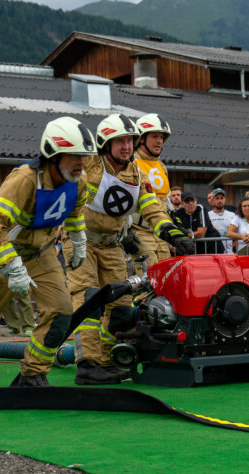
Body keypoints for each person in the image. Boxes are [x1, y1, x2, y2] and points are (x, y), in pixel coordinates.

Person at [0, 117, 94, 399]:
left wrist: (78, 241)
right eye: (75, 155)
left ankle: (33, 373)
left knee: (62, 312)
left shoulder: (79, 179)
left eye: (84, 156)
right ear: (53, 153)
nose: (81, 162)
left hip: (42, 252)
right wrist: (12, 266)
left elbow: (75, 213)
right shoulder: (24, 179)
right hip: (3, 252)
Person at [65, 113, 195, 386]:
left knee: (122, 309)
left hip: (112, 245)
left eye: (129, 140)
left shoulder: (137, 173)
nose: (126, 146)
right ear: (104, 143)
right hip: (82, 242)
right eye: (119, 141)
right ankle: (86, 364)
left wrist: (173, 234)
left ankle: (104, 361)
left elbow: (153, 210)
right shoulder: (89, 164)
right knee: (88, 299)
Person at [131, 113, 174, 273]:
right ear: (141, 139)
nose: (159, 141)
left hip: (160, 233)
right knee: (149, 279)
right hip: (139, 231)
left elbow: (165, 200)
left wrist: (174, 222)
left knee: (166, 277)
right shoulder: (131, 164)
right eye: (155, 136)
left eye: (162, 137)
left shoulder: (162, 167)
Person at [208, 188, 236, 254]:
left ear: (225, 199)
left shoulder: (232, 215)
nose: (219, 200)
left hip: (228, 252)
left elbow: (237, 231)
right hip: (213, 253)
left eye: (221, 198)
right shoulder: (207, 215)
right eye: (217, 198)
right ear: (212, 200)